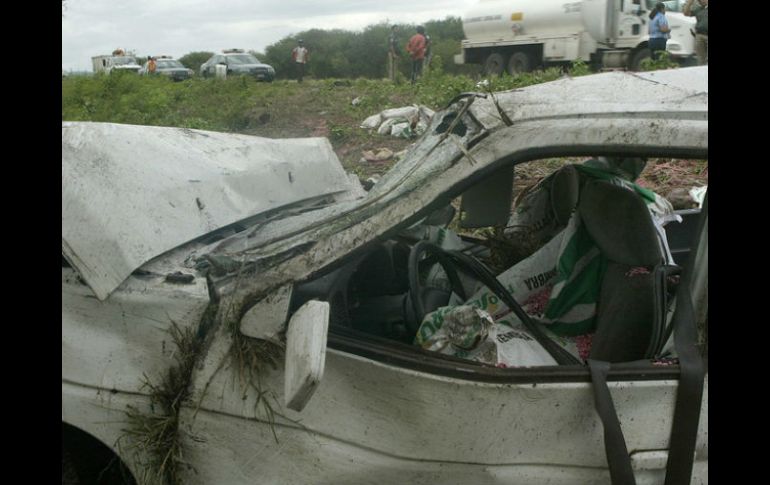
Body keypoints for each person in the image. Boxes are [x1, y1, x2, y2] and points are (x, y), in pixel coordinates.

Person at [684, 0, 708, 65]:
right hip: (699, 35)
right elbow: (686, 13)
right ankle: (701, 73)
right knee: (700, 58)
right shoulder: (698, 9)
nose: (701, 1)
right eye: (699, 0)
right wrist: (689, 3)